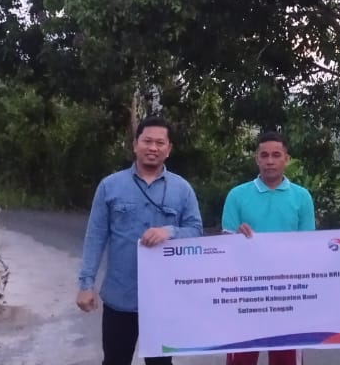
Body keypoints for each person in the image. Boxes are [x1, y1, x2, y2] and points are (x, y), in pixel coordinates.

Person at [77, 116, 204, 365]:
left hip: (163, 300)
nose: (153, 148)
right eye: (147, 141)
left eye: (160, 143)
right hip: (120, 297)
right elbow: (95, 236)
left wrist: (170, 231)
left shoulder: (182, 189)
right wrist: (86, 284)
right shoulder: (110, 186)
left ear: (169, 149)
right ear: (135, 145)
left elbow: (196, 232)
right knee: (115, 360)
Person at [220, 130, 316, 365]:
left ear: (287, 159)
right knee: (240, 361)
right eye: (264, 155)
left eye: (276, 155)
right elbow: (224, 247)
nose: (270, 161)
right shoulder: (237, 195)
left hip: (288, 294)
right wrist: (236, 238)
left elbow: (309, 247)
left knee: (286, 359)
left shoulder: (302, 197)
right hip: (245, 294)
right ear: (257, 158)